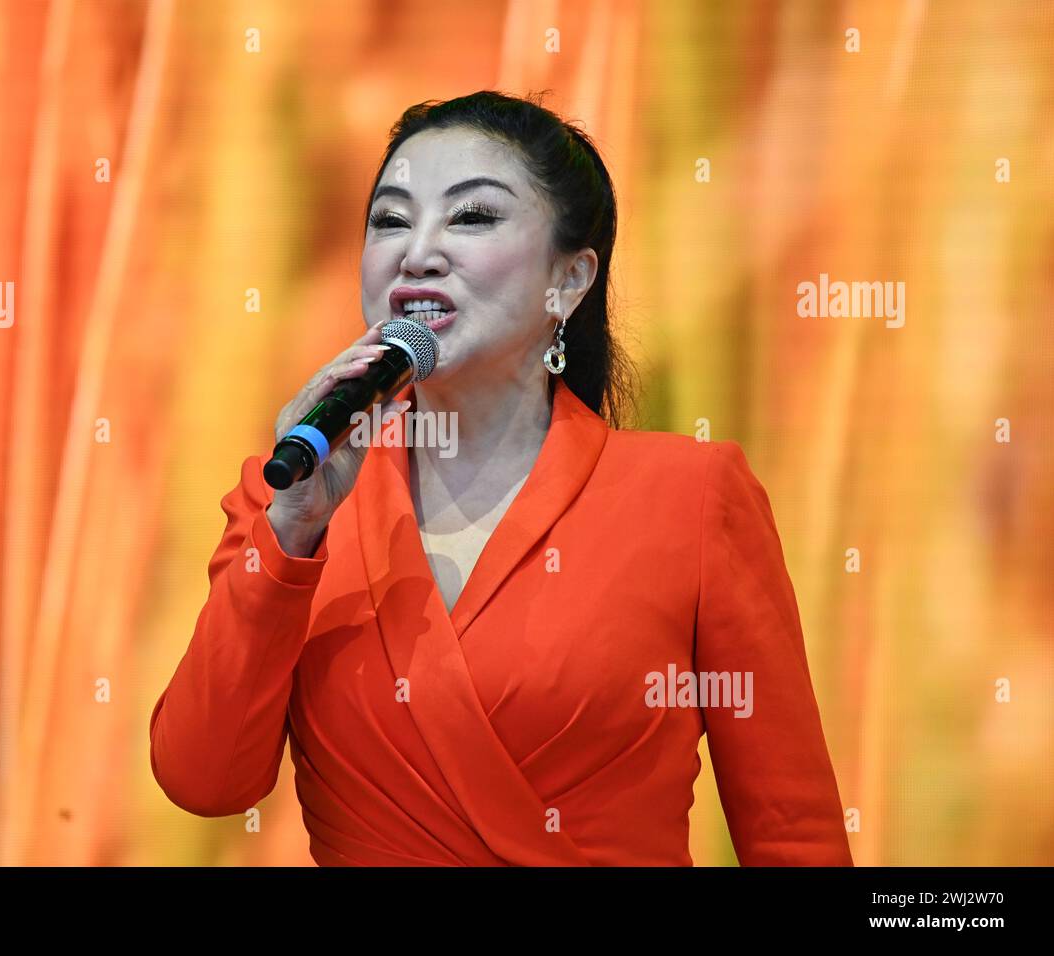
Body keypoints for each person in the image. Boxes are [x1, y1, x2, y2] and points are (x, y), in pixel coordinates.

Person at [149, 90, 854, 866]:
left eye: (472, 217)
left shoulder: (688, 498)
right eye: (390, 220)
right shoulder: (292, 498)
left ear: (571, 279)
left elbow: (793, 833)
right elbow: (203, 781)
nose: (417, 252)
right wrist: (289, 534)